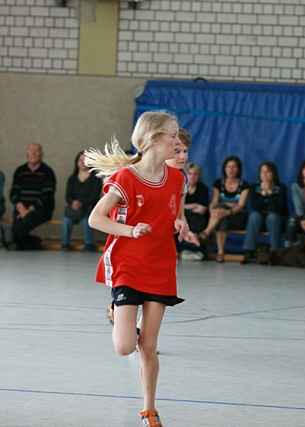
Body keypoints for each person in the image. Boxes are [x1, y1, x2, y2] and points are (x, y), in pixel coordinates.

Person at [85, 111, 189, 427]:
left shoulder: (177, 179)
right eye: (172, 134)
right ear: (154, 138)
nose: (178, 140)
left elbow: (176, 212)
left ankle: (149, 409)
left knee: (150, 346)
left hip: (161, 265)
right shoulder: (126, 179)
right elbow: (95, 219)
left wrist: (181, 222)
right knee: (125, 346)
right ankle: (120, 318)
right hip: (128, 264)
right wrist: (130, 230)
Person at [3, 144, 56, 250]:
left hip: (41, 209)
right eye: (31, 151)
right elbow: (13, 193)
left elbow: (47, 196)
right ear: (27, 154)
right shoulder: (20, 171)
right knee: (17, 228)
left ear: (41, 154)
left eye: (37, 151)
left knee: (16, 230)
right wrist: (20, 207)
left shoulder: (48, 172)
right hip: (21, 209)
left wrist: (29, 210)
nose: (33, 154)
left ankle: (17, 243)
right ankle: (35, 243)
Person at [166, 129, 206, 261]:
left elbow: (180, 214)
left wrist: (186, 231)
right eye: (177, 151)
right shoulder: (142, 175)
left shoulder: (181, 178)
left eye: (185, 151)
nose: (183, 157)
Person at [200, 156, 249, 262]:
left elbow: (240, 205)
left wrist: (227, 210)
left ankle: (207, 232)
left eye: (234, 167)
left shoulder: (244, 185)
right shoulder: (218, 183)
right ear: (224, 169)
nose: (231, 170)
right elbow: (214, 201)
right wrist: (212, 209)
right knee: (221, 217)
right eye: (228, 167)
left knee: (221, 211)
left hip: (237, 216)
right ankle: (220, 252)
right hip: (220, 215)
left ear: (238, 169)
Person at [242, 161, 287, 263]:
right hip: (259, 222)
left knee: (272, 216)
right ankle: (249, 251)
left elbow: (278, 207)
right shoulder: (254, 187)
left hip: (275, 221)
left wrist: (269, 192)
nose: (265, 175)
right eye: (262, 172)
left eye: (268, 172)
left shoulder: (281, 188)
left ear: (273, 174)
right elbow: (255, 206)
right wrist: (264, 193)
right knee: (254, 215)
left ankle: (275, 252)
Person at [61, 151, 102, 251]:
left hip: (88, 207)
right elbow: (68, 196)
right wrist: (73, 203)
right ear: (76, 162)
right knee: (66, 220)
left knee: (86, 219)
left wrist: (82, 203)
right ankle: (65, 244)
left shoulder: (96, 179)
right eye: (80, 160)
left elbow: (95, 196)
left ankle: (89, 244)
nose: (83, 162)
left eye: (86, 160)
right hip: (73, 208)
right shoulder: (72, 178)